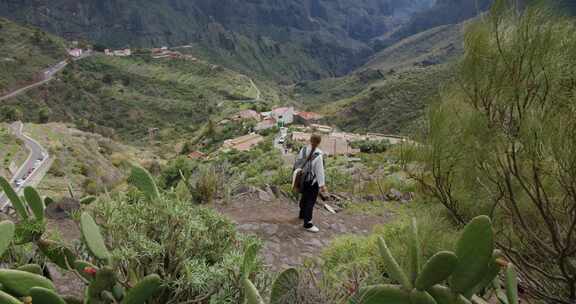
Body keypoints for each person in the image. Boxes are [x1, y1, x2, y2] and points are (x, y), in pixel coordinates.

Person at [294, 134, 326, 233]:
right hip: (312, 183)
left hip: (302, 179)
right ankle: (308, 224)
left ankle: (302, 215)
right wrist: (322, 186)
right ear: (319, 142)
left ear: (310, 140)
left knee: (304, 197)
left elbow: (298, 163)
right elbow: (319, 172)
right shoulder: (318, 155)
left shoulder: (303, 150)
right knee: (310, 202)